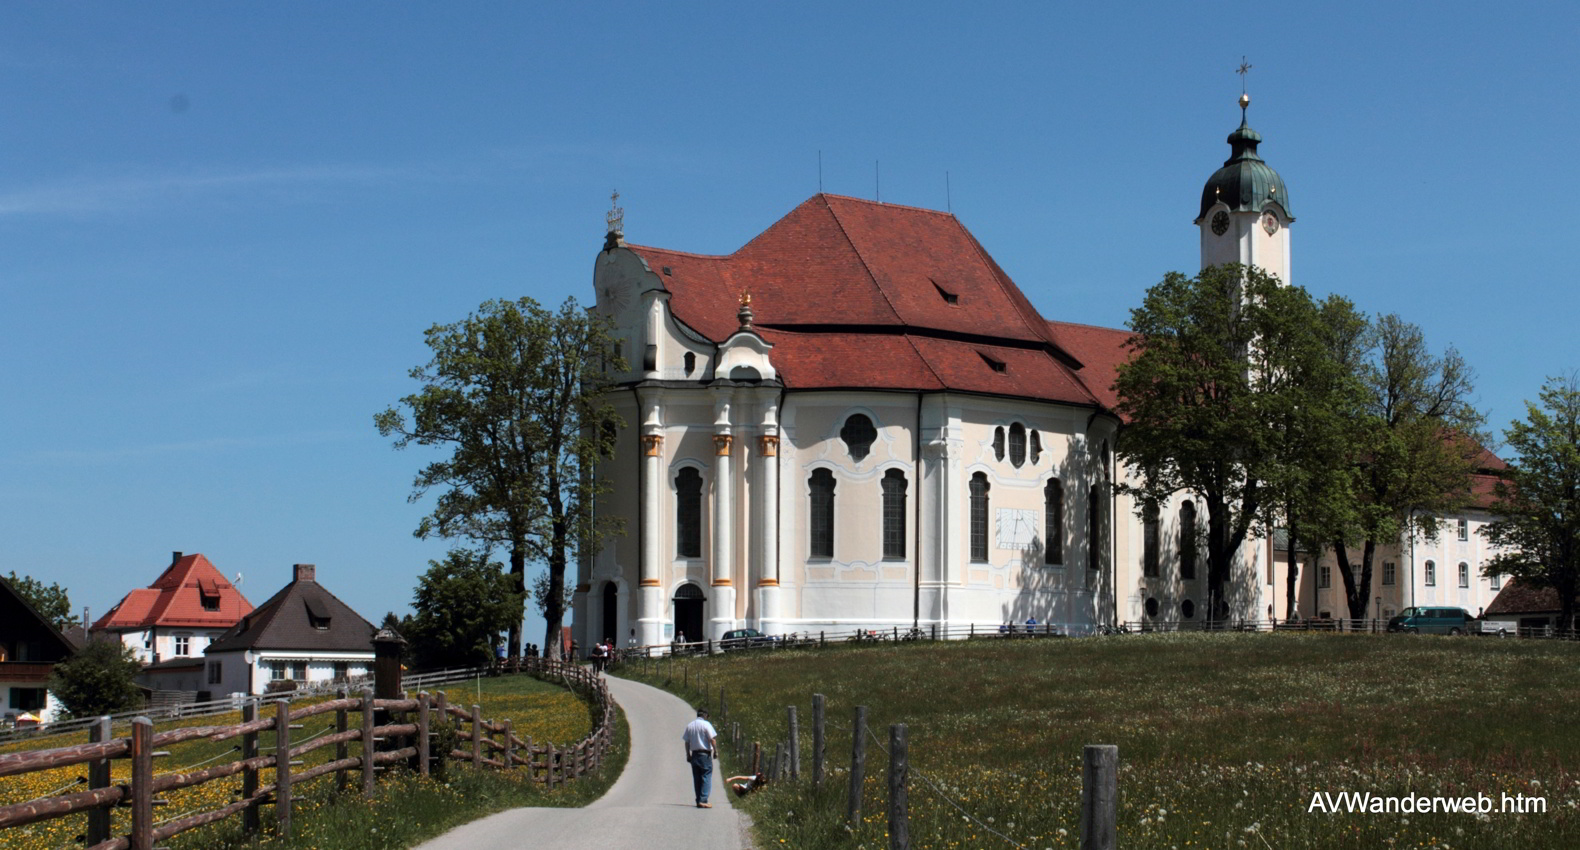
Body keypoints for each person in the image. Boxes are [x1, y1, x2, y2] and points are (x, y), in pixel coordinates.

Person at [681, 707, 719, 808]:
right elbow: (712, 739)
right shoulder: (706, 725)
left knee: (697, 778)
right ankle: (703, 800)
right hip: (704, 754)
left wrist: (688, 754)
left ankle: (698, 799)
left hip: (694, 754)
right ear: (705, 715)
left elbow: (687, 742)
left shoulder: (690, 725)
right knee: (706, 776)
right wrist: (715, 751)